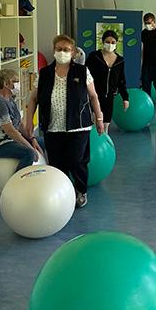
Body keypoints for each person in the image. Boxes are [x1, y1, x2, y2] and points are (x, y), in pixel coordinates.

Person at [25, 35, 105, 209]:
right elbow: (33, 99)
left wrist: (99, 118)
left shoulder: (82, 71)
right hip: (53, 127)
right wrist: (29, 120)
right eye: (59, 49)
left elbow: (93, 96)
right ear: (54, 50)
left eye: (66, 50)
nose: (62, 52)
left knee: (77, 160)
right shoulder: (45, 73)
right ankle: (63, 192)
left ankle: (81, 190)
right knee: (57, 163)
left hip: (78, 126)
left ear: (73, 52)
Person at [0, 68, 43, 170]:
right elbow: (11, 131)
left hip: (9, 140)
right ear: (6, 84)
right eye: (15, 81)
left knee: (42, 142)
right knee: (29, 153)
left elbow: (19, 123)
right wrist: (30, 147)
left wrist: (32, 139)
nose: (18, 84)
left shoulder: (9, 99)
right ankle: (18, 179)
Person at [86, 30, 130, 134]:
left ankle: (104, 139)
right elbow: (85, 74)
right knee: (95, 121)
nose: (110, 44)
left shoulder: (120, 60)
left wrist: (125, 98)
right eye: (107, 42)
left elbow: (121, 80)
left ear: (116, 43)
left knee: (106, 124)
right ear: (103, 42)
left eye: (113, 42)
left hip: (110, 96)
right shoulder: (94, 56)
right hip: (94, 95)